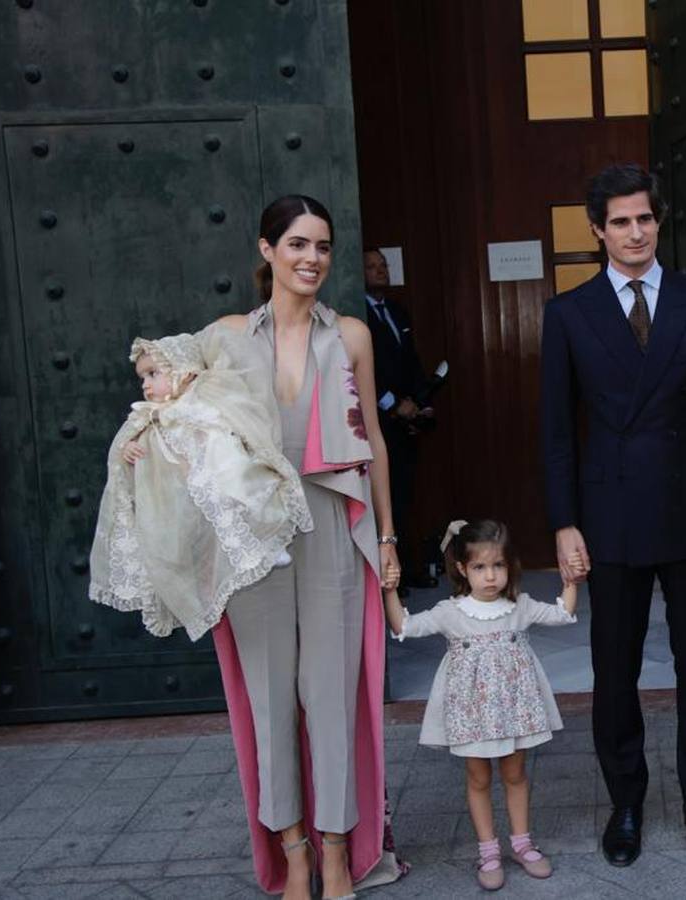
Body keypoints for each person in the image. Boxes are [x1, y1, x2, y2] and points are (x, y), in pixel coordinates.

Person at [539, 162, 686, 867]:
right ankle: (625, 803)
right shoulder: (567, 314)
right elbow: (554, 430)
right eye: (621, 221)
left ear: (659, 223)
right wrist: (565, 521)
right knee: (614, 669)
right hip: (611, 517)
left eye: (645, 218)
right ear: (597, 230)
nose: (635, 232)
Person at [205, 195, 405, 900]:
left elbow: (374, 440)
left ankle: (334, 850)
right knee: (268, 701)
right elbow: (172, 414)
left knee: (330, 698)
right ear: (266, 251)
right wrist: (143, 449)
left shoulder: (350, 334)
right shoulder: (227, 337)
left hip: (333, 529)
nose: (310, 258)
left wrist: (385, 537)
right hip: (255, 542)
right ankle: (289, 851)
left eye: (321, 246)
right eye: (295, 244)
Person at [385, 519, 579, 891]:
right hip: (472, 714)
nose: (490, 576)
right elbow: (404, 627)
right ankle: (488, 851)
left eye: (498, 566)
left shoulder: (518, 606)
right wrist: (390, 589)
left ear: (510, 566)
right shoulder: (450, 611)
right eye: (479, 567)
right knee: (478, 778)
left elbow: (561, 615)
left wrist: (571, 582)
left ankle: (522, 843)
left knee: (516, 774)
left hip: (514, 710)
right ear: (462, 569)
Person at [88, 330, 312, 641]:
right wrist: (129, 449)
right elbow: (128, 443)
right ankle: (202, 577)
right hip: (182, 493)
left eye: (153, 374)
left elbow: (227, 427)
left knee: (234, 498)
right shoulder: (149, 416)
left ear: (183, 370)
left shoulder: (199, 401)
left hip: (217, 471)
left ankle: (260, 546)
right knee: (183, 533)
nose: (145, 384)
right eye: (142, 377)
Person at [363, 248, 437, 594]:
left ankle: (409, 568)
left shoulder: (395, 310)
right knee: (383, 495)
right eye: (372, 267)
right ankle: (389, 574)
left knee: (406, 494)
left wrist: (421, 403)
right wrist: (393, 405)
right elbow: (365, 372)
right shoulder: (358, 314)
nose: (380, 271)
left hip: (406, 421)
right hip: (377, 420)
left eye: (383, 266)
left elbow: (411, 360)